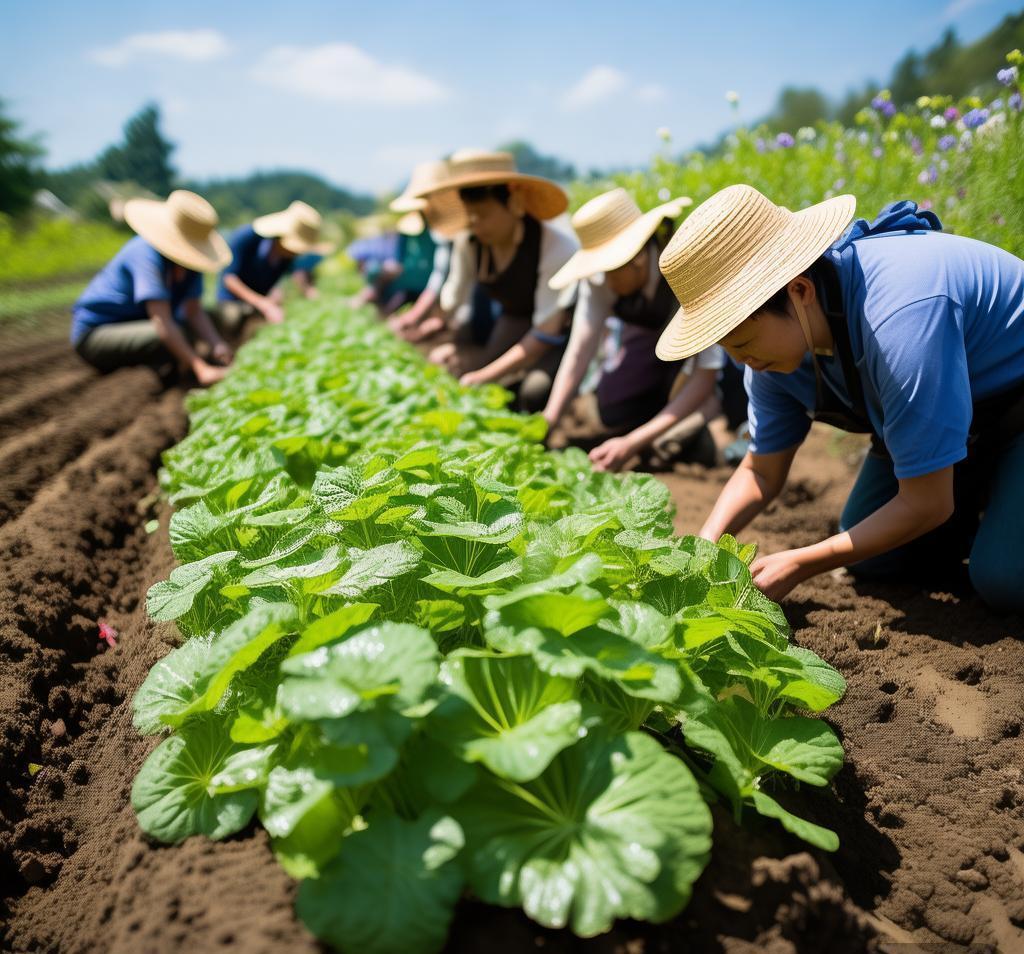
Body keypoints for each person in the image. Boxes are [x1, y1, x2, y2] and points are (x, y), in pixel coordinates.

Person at [657, 183, 1024, 612]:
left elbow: (928, 501)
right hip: (965, 424)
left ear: (799, 291)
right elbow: (761, 470)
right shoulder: (774, 356)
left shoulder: (899, 317)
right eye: (728, 349)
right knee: (876, 556)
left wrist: (801, 563)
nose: (741, 361)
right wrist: (704, 545)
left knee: (1003, 578)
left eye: (743, 342)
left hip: (1014, 407)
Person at [541, 187, 724, 471]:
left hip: (699, 361)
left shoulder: (687, 271)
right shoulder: (602, 279)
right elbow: (580, 351)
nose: (605, 280)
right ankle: (656, 421)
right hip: (649, 348)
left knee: (675, 442)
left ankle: (706, 416)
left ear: (637, 257)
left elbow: (705, 374)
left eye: (610, 269)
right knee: (611, 411)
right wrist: (548, 421)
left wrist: (632, 443)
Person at [416, 149, 579, 412]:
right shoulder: (470, 243)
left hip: (560, 334)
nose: (475, 224)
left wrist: (484, 375)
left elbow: (546, 331)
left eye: (483, 214)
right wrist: (449, 342)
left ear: (514, 204)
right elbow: (454, 297)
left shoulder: (555, 247)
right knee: (464, 364)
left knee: (534, 391)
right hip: (514, 320)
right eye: (470, 215)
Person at [71, 190, 233, 386]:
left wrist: (217, 344)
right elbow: (161, 321)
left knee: (188, 330)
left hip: (140, 327)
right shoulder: (145, 253)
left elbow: (194, 311)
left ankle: (168, 366)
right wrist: (202, 369)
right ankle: (166, 368)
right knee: (167, 335)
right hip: (96, 334)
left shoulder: (192, 263)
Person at [386, 160, 469, 342]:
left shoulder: (464, 237)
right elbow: (441, 278)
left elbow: (461, 290)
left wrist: (423, 318)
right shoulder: (440, 234)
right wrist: (414, 317)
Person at [217, 200, 333, 329]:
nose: (296, 254)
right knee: (232, 318)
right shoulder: (245, 237)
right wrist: (263, 304)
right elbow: (229, 279)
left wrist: (308, 292)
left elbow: (297, 274)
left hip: (262, 301)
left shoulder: (287, 256)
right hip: (232, 300)